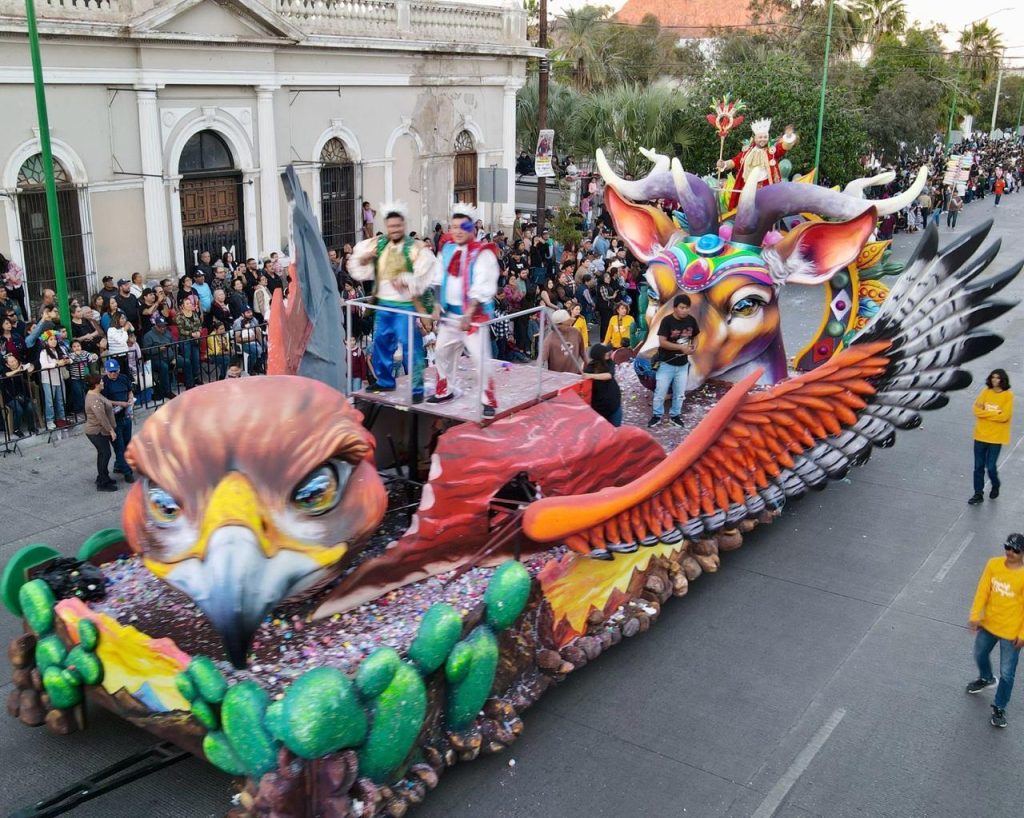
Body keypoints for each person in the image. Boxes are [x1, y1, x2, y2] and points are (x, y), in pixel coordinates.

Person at [347, 202, 435, 398]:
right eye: (391, 226)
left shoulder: (414, 247)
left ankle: (417, 388)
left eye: (398, 226)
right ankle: (385, 381)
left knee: (410, 346)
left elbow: (425, 274)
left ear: (403, 225)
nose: (394, 229)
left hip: (404, 306)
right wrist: (365, 259)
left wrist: (407, 280)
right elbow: (357, 265)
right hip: (384, 304)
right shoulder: (378, 244)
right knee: (381, 343)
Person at [427, 203, 500, 418]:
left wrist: (469, 313)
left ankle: (488, 400)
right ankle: (445, 389)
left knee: (480, 358)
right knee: (440, 351)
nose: (457, 231)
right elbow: (439, 277)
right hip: (450, 317)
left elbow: (483, 285)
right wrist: (437, 303)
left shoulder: (482, 253)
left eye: (462, 227)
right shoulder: (447, 248)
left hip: (473, 319)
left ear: (472, 228)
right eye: (454, 226)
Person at [966, 533, 1024, 728]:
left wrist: (1022, 635)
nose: (1010, 552)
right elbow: (982, 590)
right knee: (980, 653)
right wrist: (975, 616)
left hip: (1011, 633)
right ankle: (986, 678)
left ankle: (999, 707)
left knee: (1007, 673)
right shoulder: (993, 564)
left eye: (1016, 550)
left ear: (1022, 553)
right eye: (1008, 547)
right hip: (989, 625)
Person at [649, 294, 699, 428]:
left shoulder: (691, 320)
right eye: (682, 308)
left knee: (679, 393)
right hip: (666, 363)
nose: (685, 310)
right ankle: (656, 416)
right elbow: (662, 342)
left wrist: (694, 347)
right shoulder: (667, 321)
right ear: (675, 308)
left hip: (683, 365)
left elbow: (695, 336)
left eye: (687, 308)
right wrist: (681, 348)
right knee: (660, 392)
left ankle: (675, 416)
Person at [968, 368, 1013, 505]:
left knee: (991, 466)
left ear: (1002, 380)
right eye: (993, 377)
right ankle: (978, 493)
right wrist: (995, 414)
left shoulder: (1007, 396)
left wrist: (986, 412)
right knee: (978, 466)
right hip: (980, 436)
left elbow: (1005, 416)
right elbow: (976, 410)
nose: (994, 380)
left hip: (996, 438)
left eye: (997, 378)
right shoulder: (985, 392)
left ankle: (995, 484)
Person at [101, 358, 134, 482]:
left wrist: (130, 399)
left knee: (127, 444)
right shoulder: (104, 382)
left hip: (125, 415)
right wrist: (120, 403)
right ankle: (127, 472)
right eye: (110, 372)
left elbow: (130, 391)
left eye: (115, 371)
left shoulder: (124, 378)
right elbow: (104, 401)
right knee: (119, 447)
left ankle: (119, 465)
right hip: (113, 419)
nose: (113, 374)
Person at [83, 373, 118, 491]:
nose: (103, 383)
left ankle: (103, 477)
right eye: (101, 382)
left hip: (99, 430)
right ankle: (102, 483)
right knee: (105, 453)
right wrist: (111, 430)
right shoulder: (94, 399)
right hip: (96, 431)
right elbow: (101, 417)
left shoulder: (96, 394)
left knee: (103, 453)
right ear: (96, 385)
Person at [583, 343, 622, 426]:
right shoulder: (590, 367)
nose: (608, 353)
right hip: (599, 406)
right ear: (598, 355)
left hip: (613, 403)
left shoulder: (609, 363)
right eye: (605, 352)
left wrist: (591, 376)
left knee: (615, 429)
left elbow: (608, 375)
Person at [37, 330, 69, 430]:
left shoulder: (59, 350)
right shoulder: (43, 352)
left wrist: (67, 360)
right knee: (50, 402)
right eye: (51, 339)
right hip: (48, 380)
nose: (54, 341)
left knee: (60, 400)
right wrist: (56, 364)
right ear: (46, 341)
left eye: (55, 339)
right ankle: (49, 420)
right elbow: (44, 365)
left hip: (59, 378)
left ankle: (62, 418)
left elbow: (68, 358)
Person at [1, 354, 36, 437]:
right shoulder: (4, 369)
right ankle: (16, 429)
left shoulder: (21, 366)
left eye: (15, 360)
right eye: (12, 362)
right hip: (10, 398)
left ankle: (31, 427)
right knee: (18, 409)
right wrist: (17, 370)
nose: (15, 362)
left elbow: (31, 369)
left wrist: (29, 366)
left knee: (30, 407)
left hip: (22, 395)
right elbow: (6, 375)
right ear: (7, 364)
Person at [541, 309, 584, 373]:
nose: (568, 326)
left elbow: (583, 353)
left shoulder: (576, 333)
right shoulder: (550, 339)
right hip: (558, 378)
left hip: (575, 375)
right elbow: (541, 360)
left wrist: (588, 367)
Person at [175, 298, 203, 388]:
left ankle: (196, 377)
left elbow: (199, 324)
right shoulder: (179, 316)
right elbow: (181, 330)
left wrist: (199, 332)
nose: (190, 305)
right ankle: (189, 382)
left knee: (196, 360)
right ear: (182, 306)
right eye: (187, 304)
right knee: (187, 361)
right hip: (185, 341)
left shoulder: (194, 314)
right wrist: (191, 334)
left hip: (195, 340)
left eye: (190, 303)